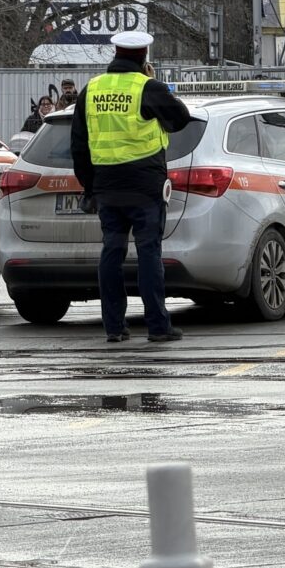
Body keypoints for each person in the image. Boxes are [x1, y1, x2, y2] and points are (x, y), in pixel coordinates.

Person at [71, 31, 190, 343]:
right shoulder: (147, 87)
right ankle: (158, 326)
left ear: (116, 53)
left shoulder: (92, 89)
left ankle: (114, 326)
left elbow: (79, 144)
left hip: (107, 185)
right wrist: (155, 83)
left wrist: (90, 187)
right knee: (149, 251)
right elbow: (180, 118)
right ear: (144, 55)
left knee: (111, 250)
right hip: (144, 185)